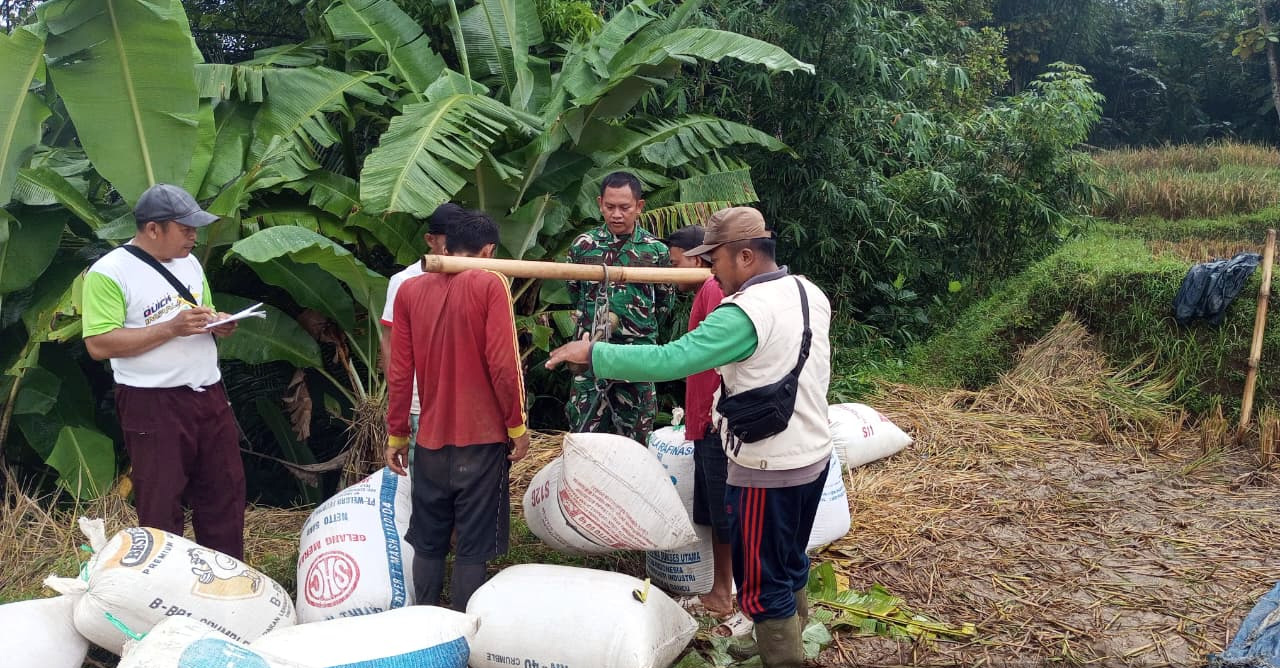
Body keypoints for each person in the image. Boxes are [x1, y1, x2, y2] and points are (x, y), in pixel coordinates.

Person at [547, 207, 833, 668]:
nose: (709, 268)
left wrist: (595, 352)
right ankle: (780, 637)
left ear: (744, 256)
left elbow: (672, 360)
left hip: (767, 468)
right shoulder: (808, 291)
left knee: (763, 583)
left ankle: (782, 651)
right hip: (813, 456)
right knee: (790, 558)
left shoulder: (743, 313)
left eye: (714, 258)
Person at [82, 183, 245, 559]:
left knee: (225, 493)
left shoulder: (190, 262)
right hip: (152, 402)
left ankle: (228, 581)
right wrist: (170, 327)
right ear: (153, 229)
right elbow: (99, 343)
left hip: (209, 394)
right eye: (185, 228)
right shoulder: (109, 273)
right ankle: (165, 585)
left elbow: (202, 310)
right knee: (161, 500)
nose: (194, 236)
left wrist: (218, 322)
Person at [385, 210, 530, 612]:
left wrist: (397, 432)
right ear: (488, 250)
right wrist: (516, 426)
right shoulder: (491, 283)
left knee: (428, 539)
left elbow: (399, 372)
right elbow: (504, 364)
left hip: (429, 440)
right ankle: (463, 631)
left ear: (446, 244)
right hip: (480, 441)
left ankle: (424, 623)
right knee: (471, 545)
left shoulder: (411, 291)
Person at [664, 225, 738, 628]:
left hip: (713, 423)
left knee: (726, 514)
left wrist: (709, 417)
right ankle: (722, 590)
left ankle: (725, 594)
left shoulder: (711, 291)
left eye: (674, 263)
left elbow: (707, 359)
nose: (671, 271)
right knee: (716, 514)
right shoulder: (708, 291)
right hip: (705, 420)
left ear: (694, 260)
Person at [565, 171, 673, 444]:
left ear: (639, 206)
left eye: (624, 208)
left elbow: (664, 303)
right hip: (590, 354)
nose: (616, 214)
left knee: (637, 438)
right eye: (610, 207)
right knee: (585, 437)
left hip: (637, 356)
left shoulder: (656, 252)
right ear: (600, 203)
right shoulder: (583, 246)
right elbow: (574, 291)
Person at [379, 203, 464, 443]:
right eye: (450, 239)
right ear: (430, 239)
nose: (456, 247)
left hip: (466, 403)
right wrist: (399, 403)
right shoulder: (404, 281)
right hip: (419, 403)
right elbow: (390, 343)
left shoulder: (474, 277)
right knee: (425, 475)